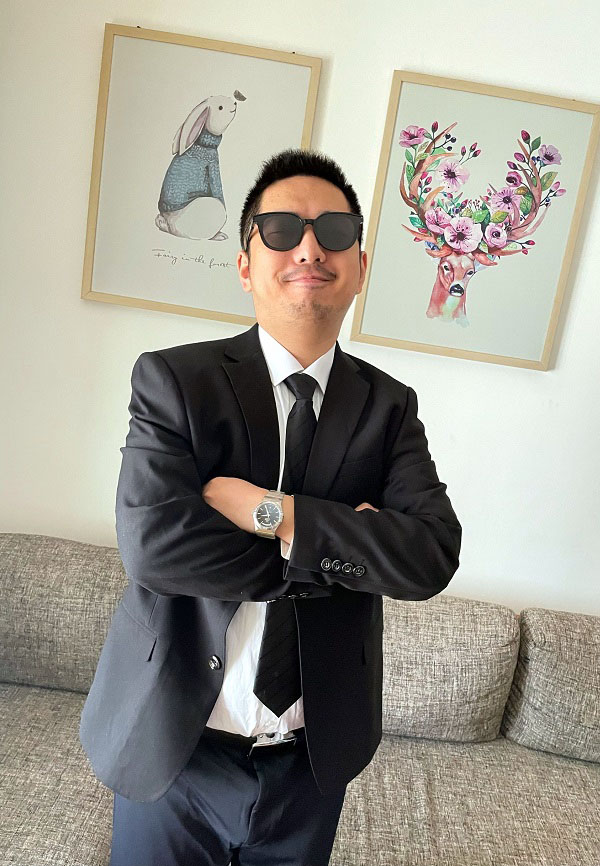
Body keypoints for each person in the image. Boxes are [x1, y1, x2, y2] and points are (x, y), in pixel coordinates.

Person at [79, 147, 462, 866]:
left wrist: (274, 514)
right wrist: (342, 549)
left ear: (359, 267)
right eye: (282, 230)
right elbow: (156, 547)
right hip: (173, 748)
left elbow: (430, 557)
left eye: (334, 232)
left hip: (310, 764)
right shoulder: (176, 382)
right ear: (245, 263)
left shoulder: (389, 408)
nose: (310, 249)